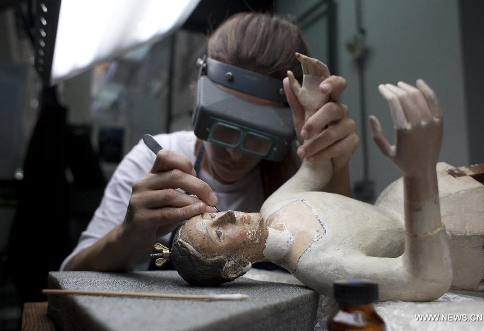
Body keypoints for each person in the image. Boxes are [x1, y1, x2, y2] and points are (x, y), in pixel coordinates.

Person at [61, 12, 359, 272]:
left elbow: (349, 269)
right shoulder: (151, 164)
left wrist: (333, 166)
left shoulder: (299, 179)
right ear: (199, 103)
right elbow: (70, 275)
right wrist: (126, 237)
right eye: (222, 128)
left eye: (257, 136)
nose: (233, 152)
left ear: (283, 134)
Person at [170, 53, 453, 302]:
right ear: (234, 266)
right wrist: (419, 174)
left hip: (417, 193)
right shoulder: (320, 266)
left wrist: (313, 114)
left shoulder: (274, 205)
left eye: (211, 217)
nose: (227, 215)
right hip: (452, 230)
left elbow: (318, 169)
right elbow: (424, 279)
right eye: (219, 233)